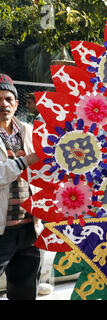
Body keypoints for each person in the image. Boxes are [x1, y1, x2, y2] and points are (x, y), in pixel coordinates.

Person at [0, 73, 43, 300]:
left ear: (16, 103)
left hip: (29, 227)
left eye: (8, 98)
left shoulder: (29, 130)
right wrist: (26, 160)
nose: (3, 104)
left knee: (25, 291)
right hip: (1, 230)